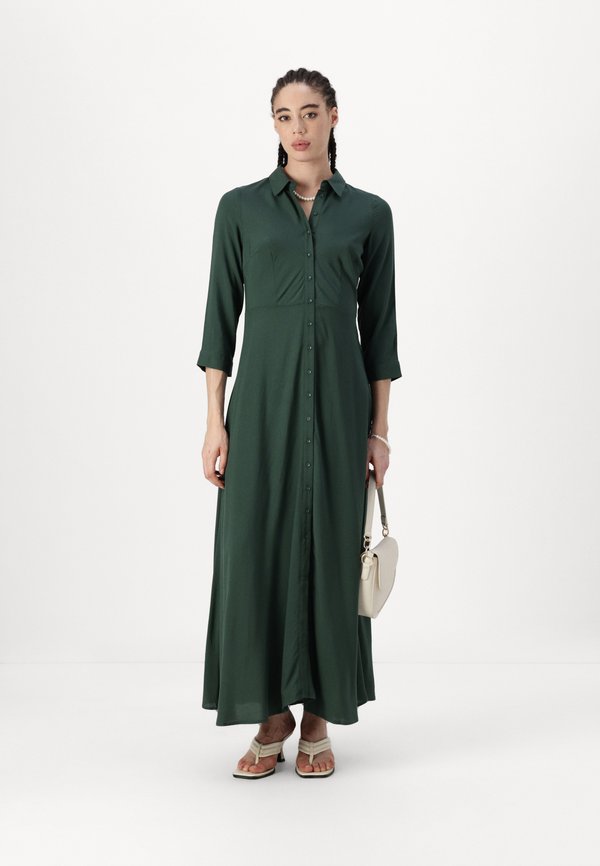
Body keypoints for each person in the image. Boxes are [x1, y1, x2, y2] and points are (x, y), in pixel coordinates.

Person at [196, 67, 402, 779]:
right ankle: (269, 715)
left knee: (332, 550)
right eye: (285, 116)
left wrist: (379, 431)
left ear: (334, 117)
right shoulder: (240, 209)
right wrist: (215, 423)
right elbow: (219, 322)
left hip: (341, 409)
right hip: (260, 407)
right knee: (255, 549)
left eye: (310, 113)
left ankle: (317, 715)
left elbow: (381, 332)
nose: (298, 128)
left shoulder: (369, 213)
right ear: (274, 126)